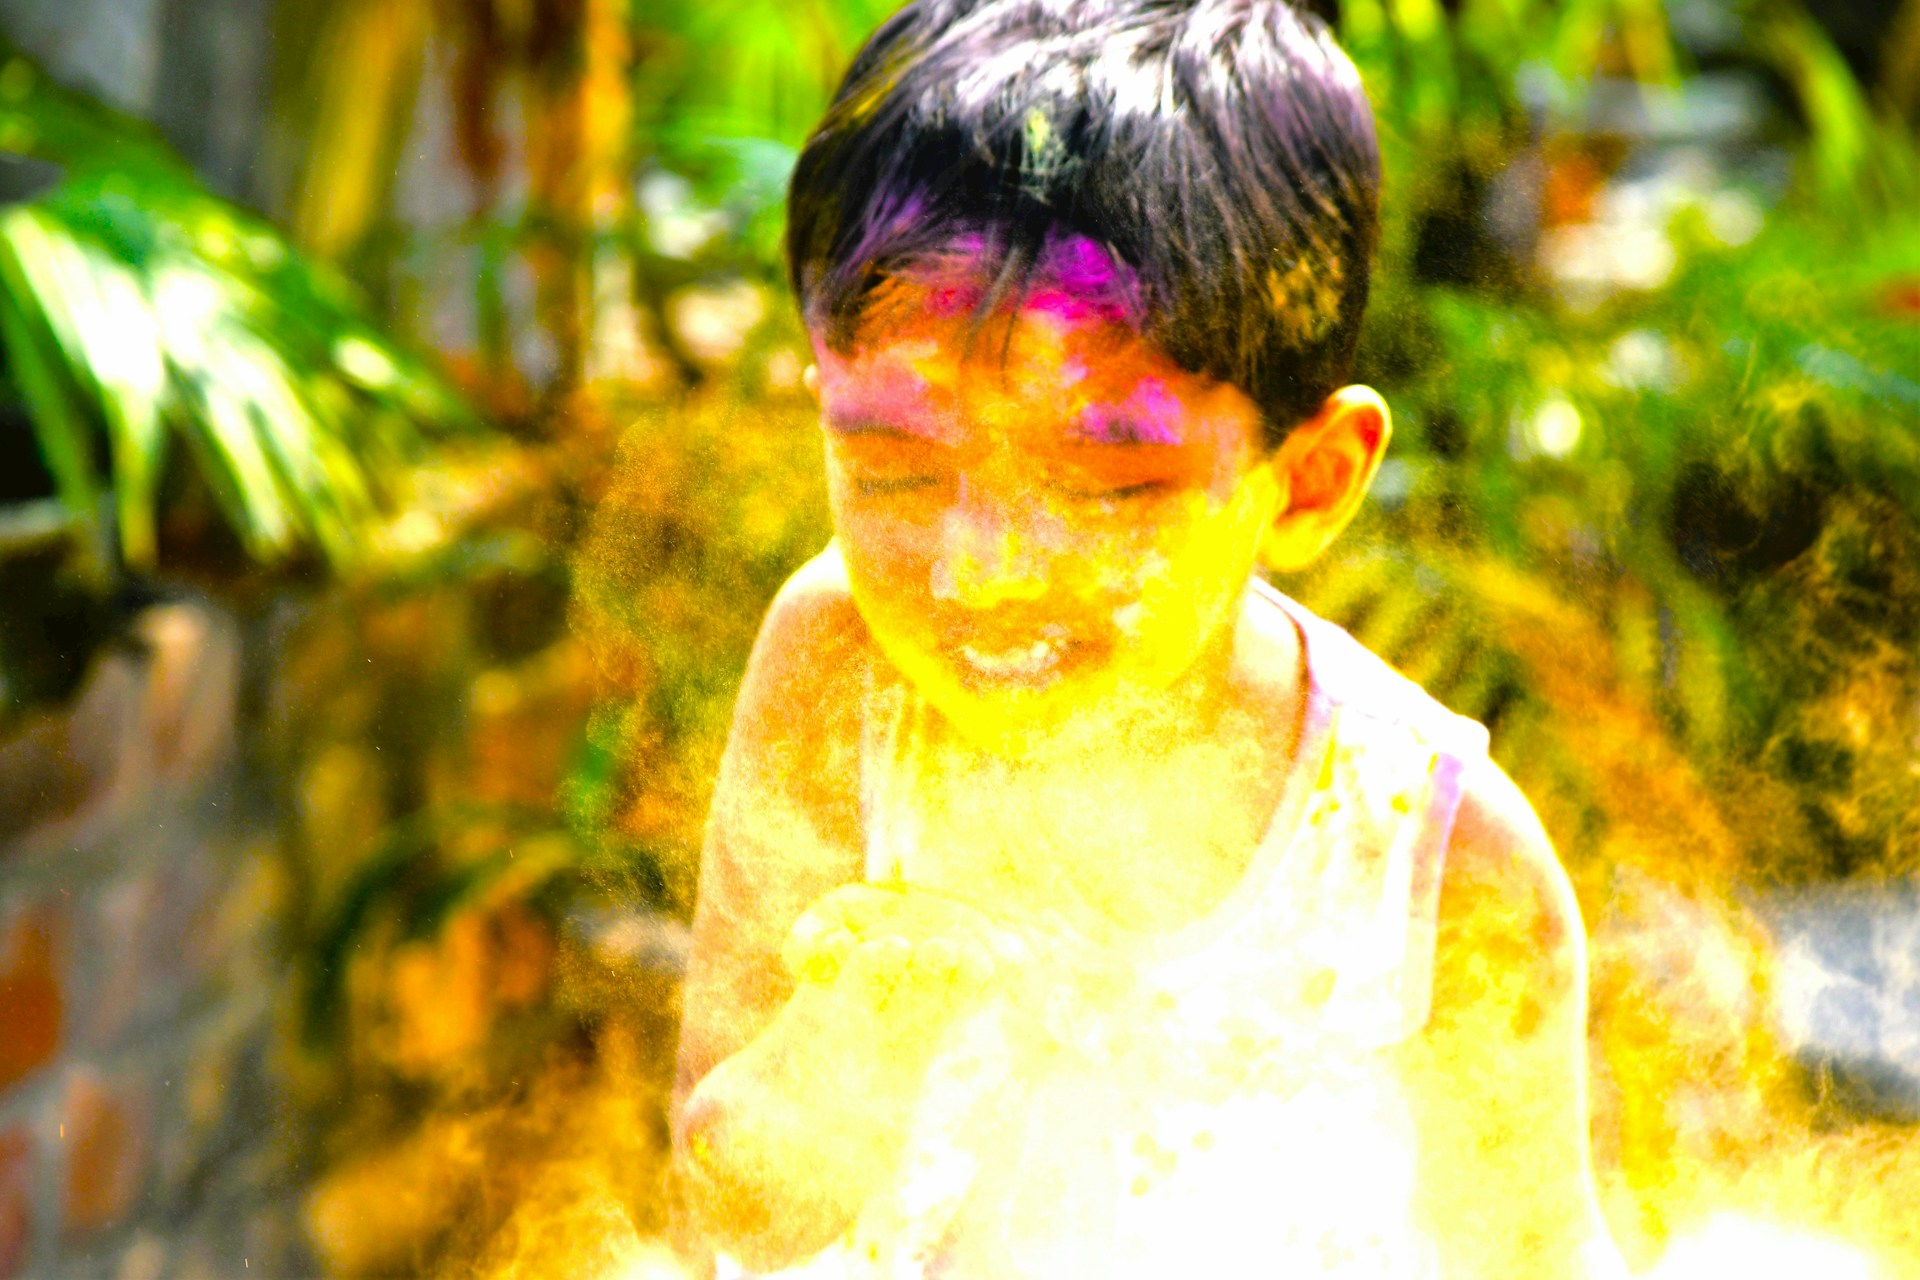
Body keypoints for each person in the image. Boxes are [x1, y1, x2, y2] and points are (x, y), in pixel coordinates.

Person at [670, 1, 1626, 1276]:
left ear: (1308, 478)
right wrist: (863, 1035)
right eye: (897, 473)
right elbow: (718, 1212)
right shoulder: (839, 668)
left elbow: (1536, 1257)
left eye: (1110, 490)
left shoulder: (1434, 864)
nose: (985, 571)